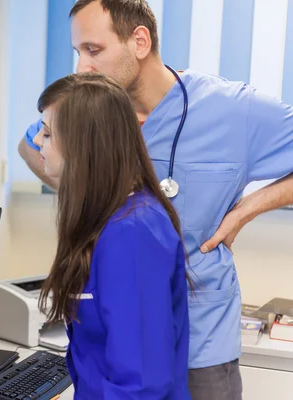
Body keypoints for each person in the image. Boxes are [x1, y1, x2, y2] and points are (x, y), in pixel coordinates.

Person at [20, 1, 293, 398]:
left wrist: (245, 211)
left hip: (201, 343)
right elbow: (34, 147)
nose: (81, 67)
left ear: (140, 41)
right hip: (118, 329)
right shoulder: (90, 113)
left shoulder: (231, 110)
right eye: (78, 52)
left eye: (93, 50)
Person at [37, 72, 190, 399]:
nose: (38, 141)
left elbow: (141, 383)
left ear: (84, 144)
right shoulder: (105, 219)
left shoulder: (132, 234)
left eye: (48, 134)